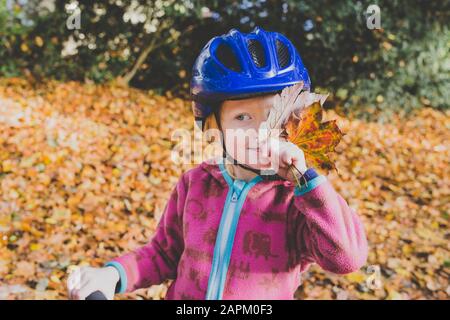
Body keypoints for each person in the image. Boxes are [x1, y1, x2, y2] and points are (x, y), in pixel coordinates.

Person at [67, 27, 368, 300]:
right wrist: (112, 275)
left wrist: (305, 180)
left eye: (274, 117)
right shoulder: (194, 183)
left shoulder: (295, 199)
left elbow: (346, 258)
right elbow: (163, 253)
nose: (261, 132)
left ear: (295, 122)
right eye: (242, 118)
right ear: (213, 124)